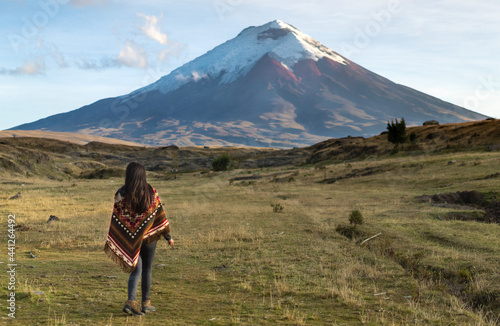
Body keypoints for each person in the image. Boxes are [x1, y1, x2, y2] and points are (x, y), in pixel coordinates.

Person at [104, 162, 173, 316]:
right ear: (143, 175)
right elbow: (159, 215)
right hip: (149, 239)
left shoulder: (121, 194)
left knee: (136, 270)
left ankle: (131, 301)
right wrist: (168, 236)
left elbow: (118, 218)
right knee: (147, 269)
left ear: (128, 175)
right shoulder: (151, 192)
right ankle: (146, 304)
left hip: (129, 240)